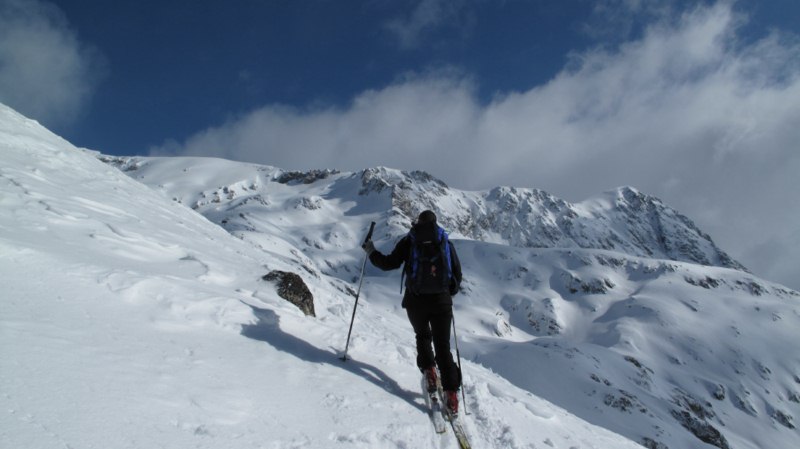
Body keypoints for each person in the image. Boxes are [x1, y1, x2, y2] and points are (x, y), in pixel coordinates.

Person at [362, 210, 463, 415]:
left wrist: (371, 251)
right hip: (441, 302)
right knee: (443, 346)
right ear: (435, 224)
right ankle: (451, 394)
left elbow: (389, 263)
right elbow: (457, 275)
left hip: (415, 301)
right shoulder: (445, 243)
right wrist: (448, 294)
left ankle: (430, 372)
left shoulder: (410, 241)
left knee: (422, 336)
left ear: (418, 222)